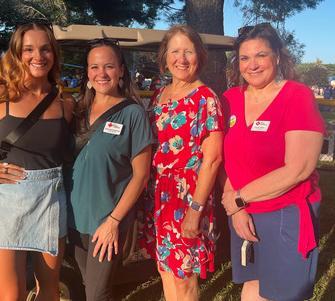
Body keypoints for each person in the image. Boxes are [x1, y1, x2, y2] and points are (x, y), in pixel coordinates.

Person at [0, 19, 76, 300]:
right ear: (17, 53)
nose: (38, 57)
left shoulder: (65, 103)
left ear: (54, 54)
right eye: (29, 49)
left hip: (50, 200)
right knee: (10, 295)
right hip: (5, 201)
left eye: (45, 49)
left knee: (49, 289)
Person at [220, 23, 326, 301]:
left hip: (284, 212)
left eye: (261, 56)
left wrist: (239, 199)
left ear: (277, 57)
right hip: (244, 213)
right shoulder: (231, 99)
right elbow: (230, 161)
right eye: (244, 58)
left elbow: (299, 168)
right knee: (253, 284)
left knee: (283, 294)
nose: (252, 65)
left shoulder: (297, 96)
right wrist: (236, 207)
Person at [139, 24, 224, 301]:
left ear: (199, 55)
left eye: (188, 51)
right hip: (157, 196)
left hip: (186, 197)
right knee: (164, 267)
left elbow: (212, 159)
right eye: (174, 51)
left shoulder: (206, 99)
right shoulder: (158, 96)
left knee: (183, 276)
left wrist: (195, 211)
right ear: (164, 58)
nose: (182, 59)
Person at [66, 38, 154, 301]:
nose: (101, 74)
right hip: (73, 217)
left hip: (107, 220)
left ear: (121, 70)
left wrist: (114, 221)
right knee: (88, 284)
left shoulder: (133, 114)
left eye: (108, 66)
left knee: (97, 293)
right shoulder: (77, 108)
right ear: (87, 72)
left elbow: (142, 175)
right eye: (94, 67)